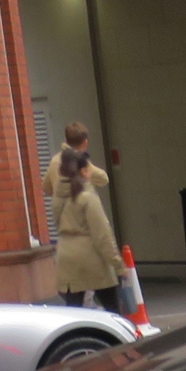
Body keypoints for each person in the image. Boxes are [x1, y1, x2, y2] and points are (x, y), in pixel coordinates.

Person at [46, 125, 121, 310]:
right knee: (112, 307)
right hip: (89, 254)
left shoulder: (57, 195)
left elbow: (45, 187)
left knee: (75, 310)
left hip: (65, 253)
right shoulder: (87, 197)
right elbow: (102, 233)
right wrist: (118, 264)